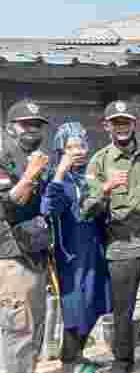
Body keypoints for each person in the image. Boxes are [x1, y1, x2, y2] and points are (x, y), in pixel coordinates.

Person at [82, 100, 140, 373]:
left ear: (136, 124)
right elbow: (87, 210)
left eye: (126, 121)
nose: (121, 126)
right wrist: (105, 189)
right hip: (120, 248)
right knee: (122, 310)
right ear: (106, 126)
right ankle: (123, 361)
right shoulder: (99, 161)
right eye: (116, 122)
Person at [41, 122, 113, 373]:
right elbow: (48, 209)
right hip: (70, 252)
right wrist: (60, 172)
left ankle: (76, 354)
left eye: (81, 145)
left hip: (95, 248)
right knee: (75, 306)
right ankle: (69, 361)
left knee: (96, 301)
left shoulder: (89, 176)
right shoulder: (54, 176)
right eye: (71, 147)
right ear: (60, 150)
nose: (78, 151)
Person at [0, 99, 50, 373]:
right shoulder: (3, 156)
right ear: (9, 128)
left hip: (35, 251)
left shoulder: (33, 157)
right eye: (26, 124)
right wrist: (31, 173)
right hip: (12, 254)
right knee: (18, 327)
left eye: (37, 125)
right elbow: (10, 203)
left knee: (34, 325)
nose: (33, 129)